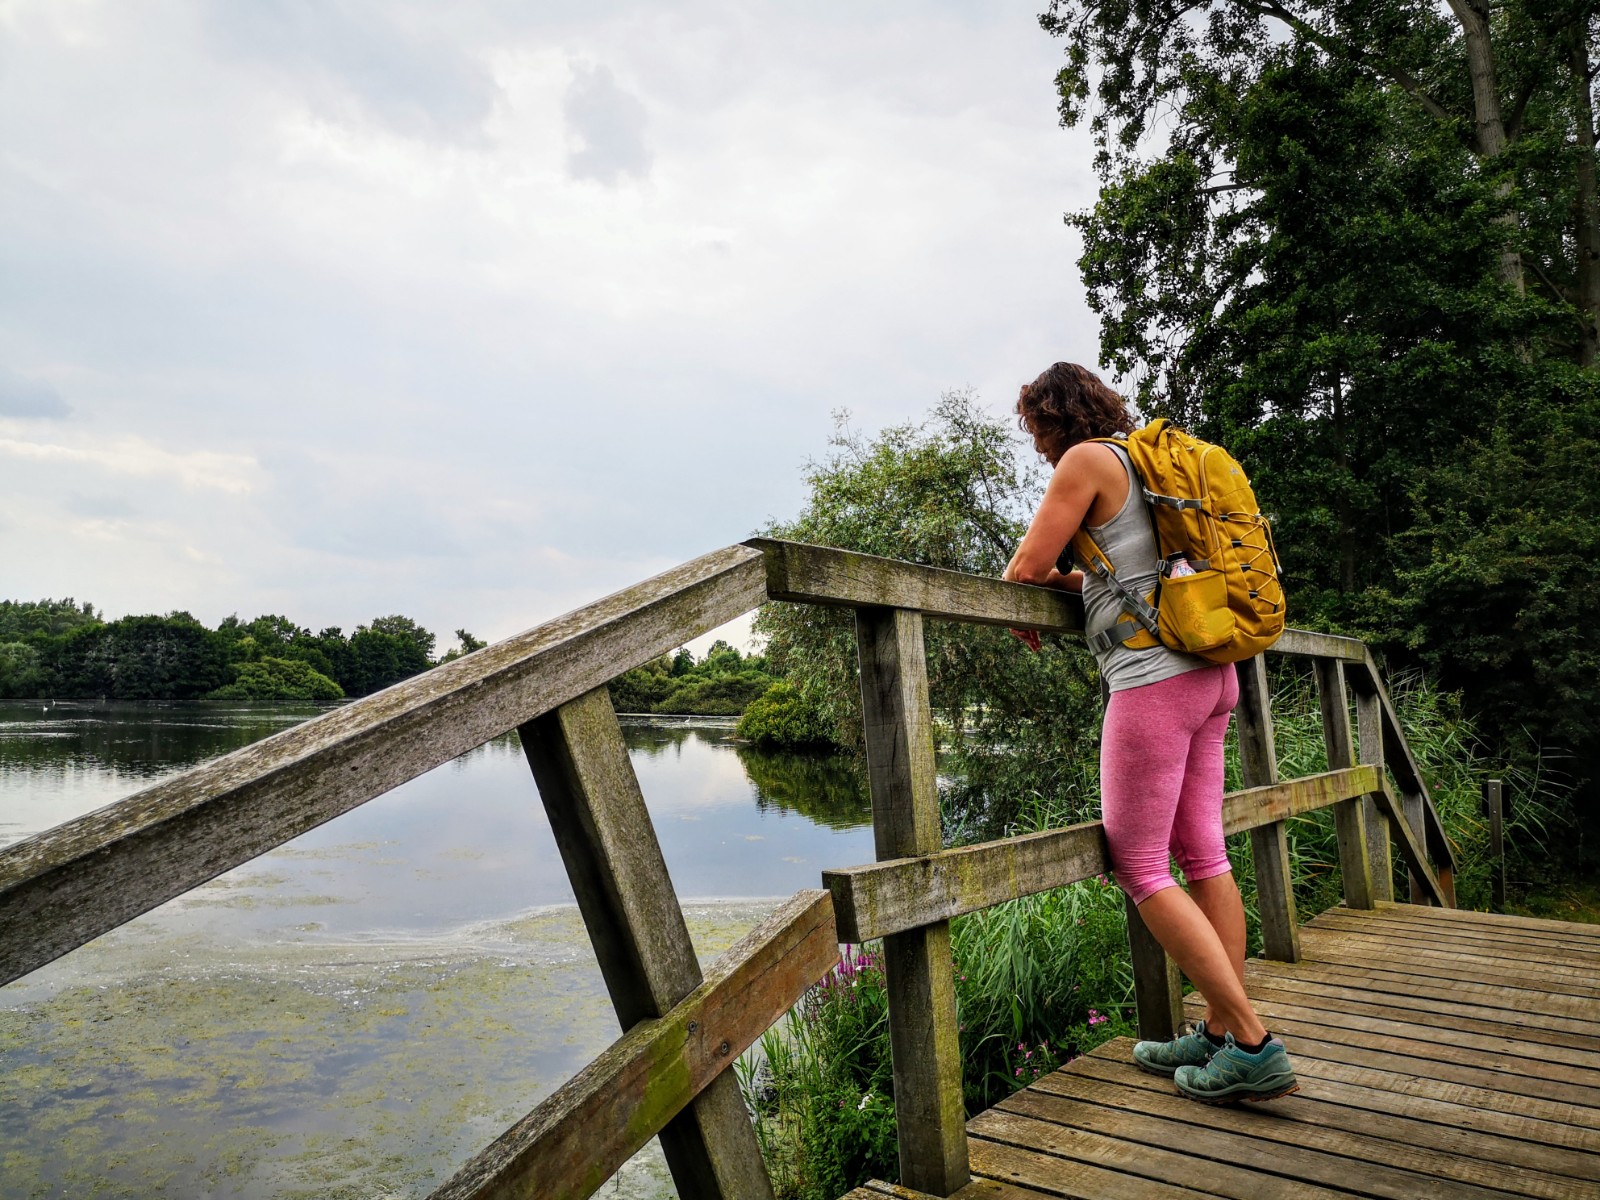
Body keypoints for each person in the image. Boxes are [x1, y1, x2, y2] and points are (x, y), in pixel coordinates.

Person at [1000, 361, 1298, 1104]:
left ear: (1051, 417)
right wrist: (1079, 587)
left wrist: (1026, 591)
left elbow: (1025, 568)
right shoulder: (1142, 460)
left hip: (1153, 682)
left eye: (1034, 427)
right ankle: (1221, 1033)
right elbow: (1118, 574)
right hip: (1210, 673)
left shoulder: (1084, 460)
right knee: (1201, 852)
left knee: (1138, 863)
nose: (1036, 445)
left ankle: (1253, 1043)